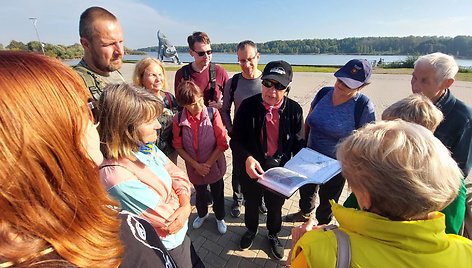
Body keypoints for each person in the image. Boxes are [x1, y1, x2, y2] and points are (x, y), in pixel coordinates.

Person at [0, 51, 177, 267]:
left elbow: (176, 173)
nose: (97, 122)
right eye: (88, 110)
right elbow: (167, 215)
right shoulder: (120, 234)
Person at [290, 120, 472, 267]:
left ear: (366, 198)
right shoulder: (466, 252)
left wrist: (296, 252)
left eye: (353, 184)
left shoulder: (319, 250)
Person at [98, 84, 203, 268]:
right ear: (126, 126)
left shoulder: (144, 147)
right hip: (167, 246)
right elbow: (168, 220)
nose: (158, 125)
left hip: (180, 237)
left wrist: (184, 204)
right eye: (149, 120)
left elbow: (179, 175)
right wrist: (180, 199)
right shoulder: (116, 176)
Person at [344, 93, 467, 234]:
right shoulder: (382, 165)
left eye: (388, 131)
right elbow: (351, 206)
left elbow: (449, 231)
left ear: (412, 135)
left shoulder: (449, 180)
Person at [284, 59, 375, 224]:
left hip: (336, 166)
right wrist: (301, 146)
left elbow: (366, 142)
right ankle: (304, 213)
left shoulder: (363, 106)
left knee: (328, 200)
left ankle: (322, 227)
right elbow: (309, 121)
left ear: (361, 86)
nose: (340, 85)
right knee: (306, 192)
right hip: (310, 157)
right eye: (340, 79)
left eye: (348, 84)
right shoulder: (323, 93)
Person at [230, 60, 305, 260]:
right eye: (268, 83)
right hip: (252, 168)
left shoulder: (295, 110)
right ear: (262, 82)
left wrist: (302, 170)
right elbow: (235, 140)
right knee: (251, 204)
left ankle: (273, 234)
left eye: (279, 86)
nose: (272, 91)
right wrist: (246, 158)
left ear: (287, 88)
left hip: (279, 171)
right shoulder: (247, 106)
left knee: (275, 207)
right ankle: (251, 230)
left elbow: (299, 145)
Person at [172, 80, 229, 235]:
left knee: (218, 192)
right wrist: (196, 166)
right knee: (200, 193)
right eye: (192, 104)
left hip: (214, 165)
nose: (198, 106)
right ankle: (202, 214)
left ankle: (219, 217)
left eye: (199, 100)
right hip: (194, 168)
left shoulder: (212, 113)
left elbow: (222, 143)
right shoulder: (178, 120)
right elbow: (178, 146)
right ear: (184, 105)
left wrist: (207, 165)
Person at [221, 40, 266, 217]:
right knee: (239, 171)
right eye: (241, 61)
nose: (246, 65)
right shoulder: (233, 83)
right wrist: (231, 130)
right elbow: (224, 109)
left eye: (250, 59)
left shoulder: (268, 81)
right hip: (240, 137)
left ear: (258, 56)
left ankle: (259, 199)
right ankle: (237, 200)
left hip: (263, 137)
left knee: (262, 170)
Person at [411, 52, 472, 178]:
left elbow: (460, 171)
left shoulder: (463, 118)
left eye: (424, 81)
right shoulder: (409, 106)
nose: (415, 87)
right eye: (414, 78)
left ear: (447, 83)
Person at [133, 57, 179, 164]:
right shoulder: (137, 101)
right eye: (152, 75)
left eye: (160, 74)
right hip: (147, 156)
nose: (158, 79)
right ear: (141, 78)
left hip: (170, 153)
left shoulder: (169, 98)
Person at [74, 6, 125, 100]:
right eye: (109, 44)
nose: (120, 51)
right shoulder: (75, 86)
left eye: (121, 42)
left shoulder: (114, 73)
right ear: (86, 44)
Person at [174, 31, 229, 109]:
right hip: (191, 119)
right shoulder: (181, 74)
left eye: (209, 52)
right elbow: (179, 103)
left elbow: (230, 96)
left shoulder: (220, 72)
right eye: (201, 53)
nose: (206, 56)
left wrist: (221, 105)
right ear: (191, 52)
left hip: (214, 119)